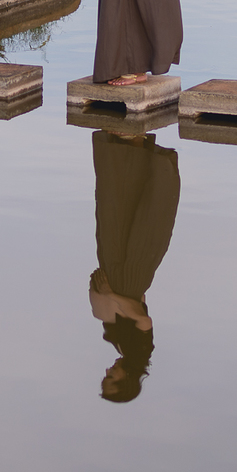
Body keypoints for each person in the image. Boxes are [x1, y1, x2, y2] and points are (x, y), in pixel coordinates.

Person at [88, 130, 180, 402]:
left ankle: (122, 139)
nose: (107, 372)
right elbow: (143, 317)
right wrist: (110, 296)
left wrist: (104, 296)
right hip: (130, 273)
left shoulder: (121, 347)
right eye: (111, 378)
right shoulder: (139, 351)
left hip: (115, 267)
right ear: (126, 380)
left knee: (114, 206)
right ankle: (134, 139)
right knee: (135, 211)